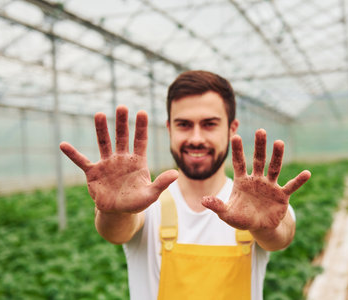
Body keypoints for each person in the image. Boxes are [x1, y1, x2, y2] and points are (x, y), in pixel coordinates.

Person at [60, 70, 311, 300]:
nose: (196, 138)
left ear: (232, 128)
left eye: (209, 124)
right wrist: (114, 210)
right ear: (169, 128)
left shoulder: (258, 203)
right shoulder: (146, 202)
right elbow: (116, 231)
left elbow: (281, 236)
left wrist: (267, 228)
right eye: (184, 124)